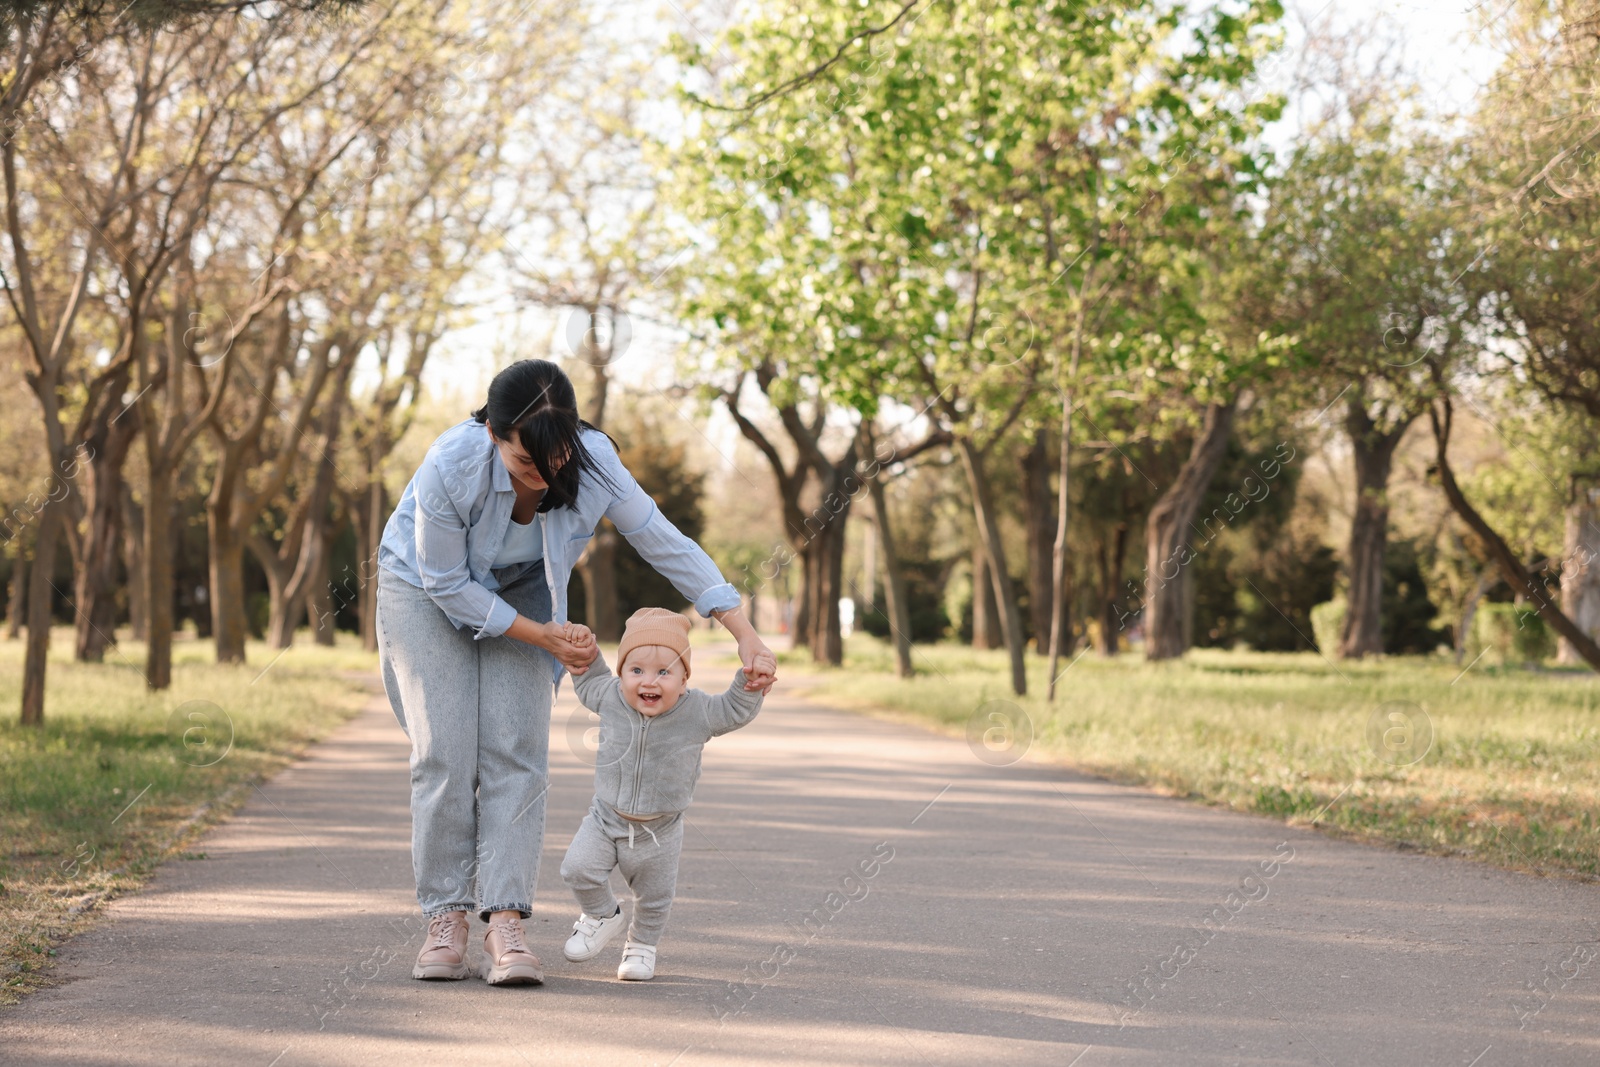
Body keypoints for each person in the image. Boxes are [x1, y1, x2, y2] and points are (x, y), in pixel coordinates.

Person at [375, 359, 776, 987]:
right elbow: (445, 581)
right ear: (492, 433)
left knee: (516, 748)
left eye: (554, 456)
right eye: (525, 460)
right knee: (446, 752)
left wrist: (743, 631)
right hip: (424, 588)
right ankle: (446, 918)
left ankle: (505, 922)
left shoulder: (591, 459)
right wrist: (543, 638)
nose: (544, 472)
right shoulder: (451, 463)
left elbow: (660, 538)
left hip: (529, 584)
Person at [559, 607, 776, 980]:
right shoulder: (610, 696)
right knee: (577, 868)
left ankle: (641, 947)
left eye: (664, 672)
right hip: (605, 817)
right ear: (622, 672)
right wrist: (586, 651)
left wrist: (749, 682)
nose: (650, 682)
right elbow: (589, 678)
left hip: (660, 829)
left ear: (684, 678)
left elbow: (734, 709)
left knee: (654, 898)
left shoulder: (698, 712)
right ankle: (601, 914)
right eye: (637, 670)